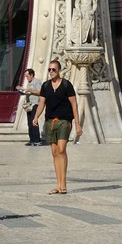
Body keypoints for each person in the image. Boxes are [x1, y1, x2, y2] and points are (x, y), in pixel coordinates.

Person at [31, 58, 81, 195]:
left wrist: (77, 123)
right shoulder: (46, 86)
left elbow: (74, 105)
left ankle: (63, 185)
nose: (51, 72)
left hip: (64, 121)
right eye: (49, 70)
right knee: (54, 152)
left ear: (59, 70)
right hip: (49, 122)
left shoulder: (66, 85)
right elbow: (42, 103)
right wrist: (36, 117)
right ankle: (58, 185)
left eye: (54, 69)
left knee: (61, 149)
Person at [18, 68, 43, 146]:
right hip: (29, 104)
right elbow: (28, 92)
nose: (26, 78)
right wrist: (22, 90)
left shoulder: (37, 81)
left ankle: (37, 140)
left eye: (27, 76)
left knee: (34, 122)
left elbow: (40, 91)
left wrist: (30, 91)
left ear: (32, 75)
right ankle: (32, 140)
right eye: (25, 76)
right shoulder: (29, 82)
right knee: (29, 123)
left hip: (35, 104)